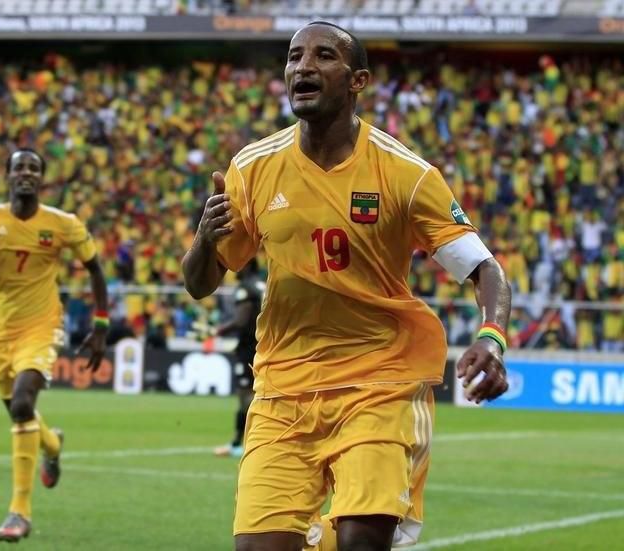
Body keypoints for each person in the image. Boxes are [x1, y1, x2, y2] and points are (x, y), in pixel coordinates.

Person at [182, 22, 511, 551]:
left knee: (363, 539)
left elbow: (486, 270)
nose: (303, 66)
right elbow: (200, 283)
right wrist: (203, 239)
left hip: (380, 382)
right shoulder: (252, 168)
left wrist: (492, 338)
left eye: (323, 56)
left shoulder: (406, 174)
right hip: (283, 386)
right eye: (294, 56)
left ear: (358, 80)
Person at [0, 148, 109, 543]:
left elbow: (96, 269)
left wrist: (100, 326)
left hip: (41, 326)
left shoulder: (63, 223)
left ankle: (19, 512)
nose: (26, 173)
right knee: (20, 412)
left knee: (22, 404)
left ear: (42, 178)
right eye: (19, 167)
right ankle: (52, 444)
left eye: (33, 168)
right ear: (8, 175)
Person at [213, 258, 264, 458]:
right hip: (265, 345)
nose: (234, 268)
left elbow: (242, 321)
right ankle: (243, 442)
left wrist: (219, 330)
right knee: (257, 392)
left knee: (246, 396)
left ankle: (243, 443)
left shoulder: (246, 288)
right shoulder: (263, 284)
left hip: (249, 347)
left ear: (248, 265)